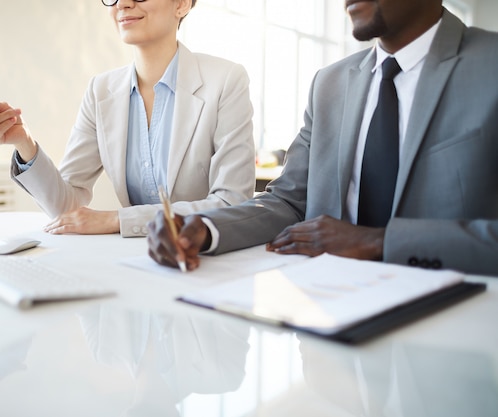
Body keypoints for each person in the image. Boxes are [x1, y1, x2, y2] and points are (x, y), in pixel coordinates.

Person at [147, 0, 498, 276]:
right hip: (329, 315)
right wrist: (205, 229)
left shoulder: (489, 65)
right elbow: (289, 202)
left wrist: (379, 242)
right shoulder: (330, 84)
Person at [0, 0, 255, 237]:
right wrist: (24, 142)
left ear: (181, 5)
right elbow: (67, 208)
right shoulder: (100, 90)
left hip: (203, 259)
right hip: (134, 259)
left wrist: (119, 219)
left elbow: (233, 204)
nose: (124, 4)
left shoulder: (226, 80)